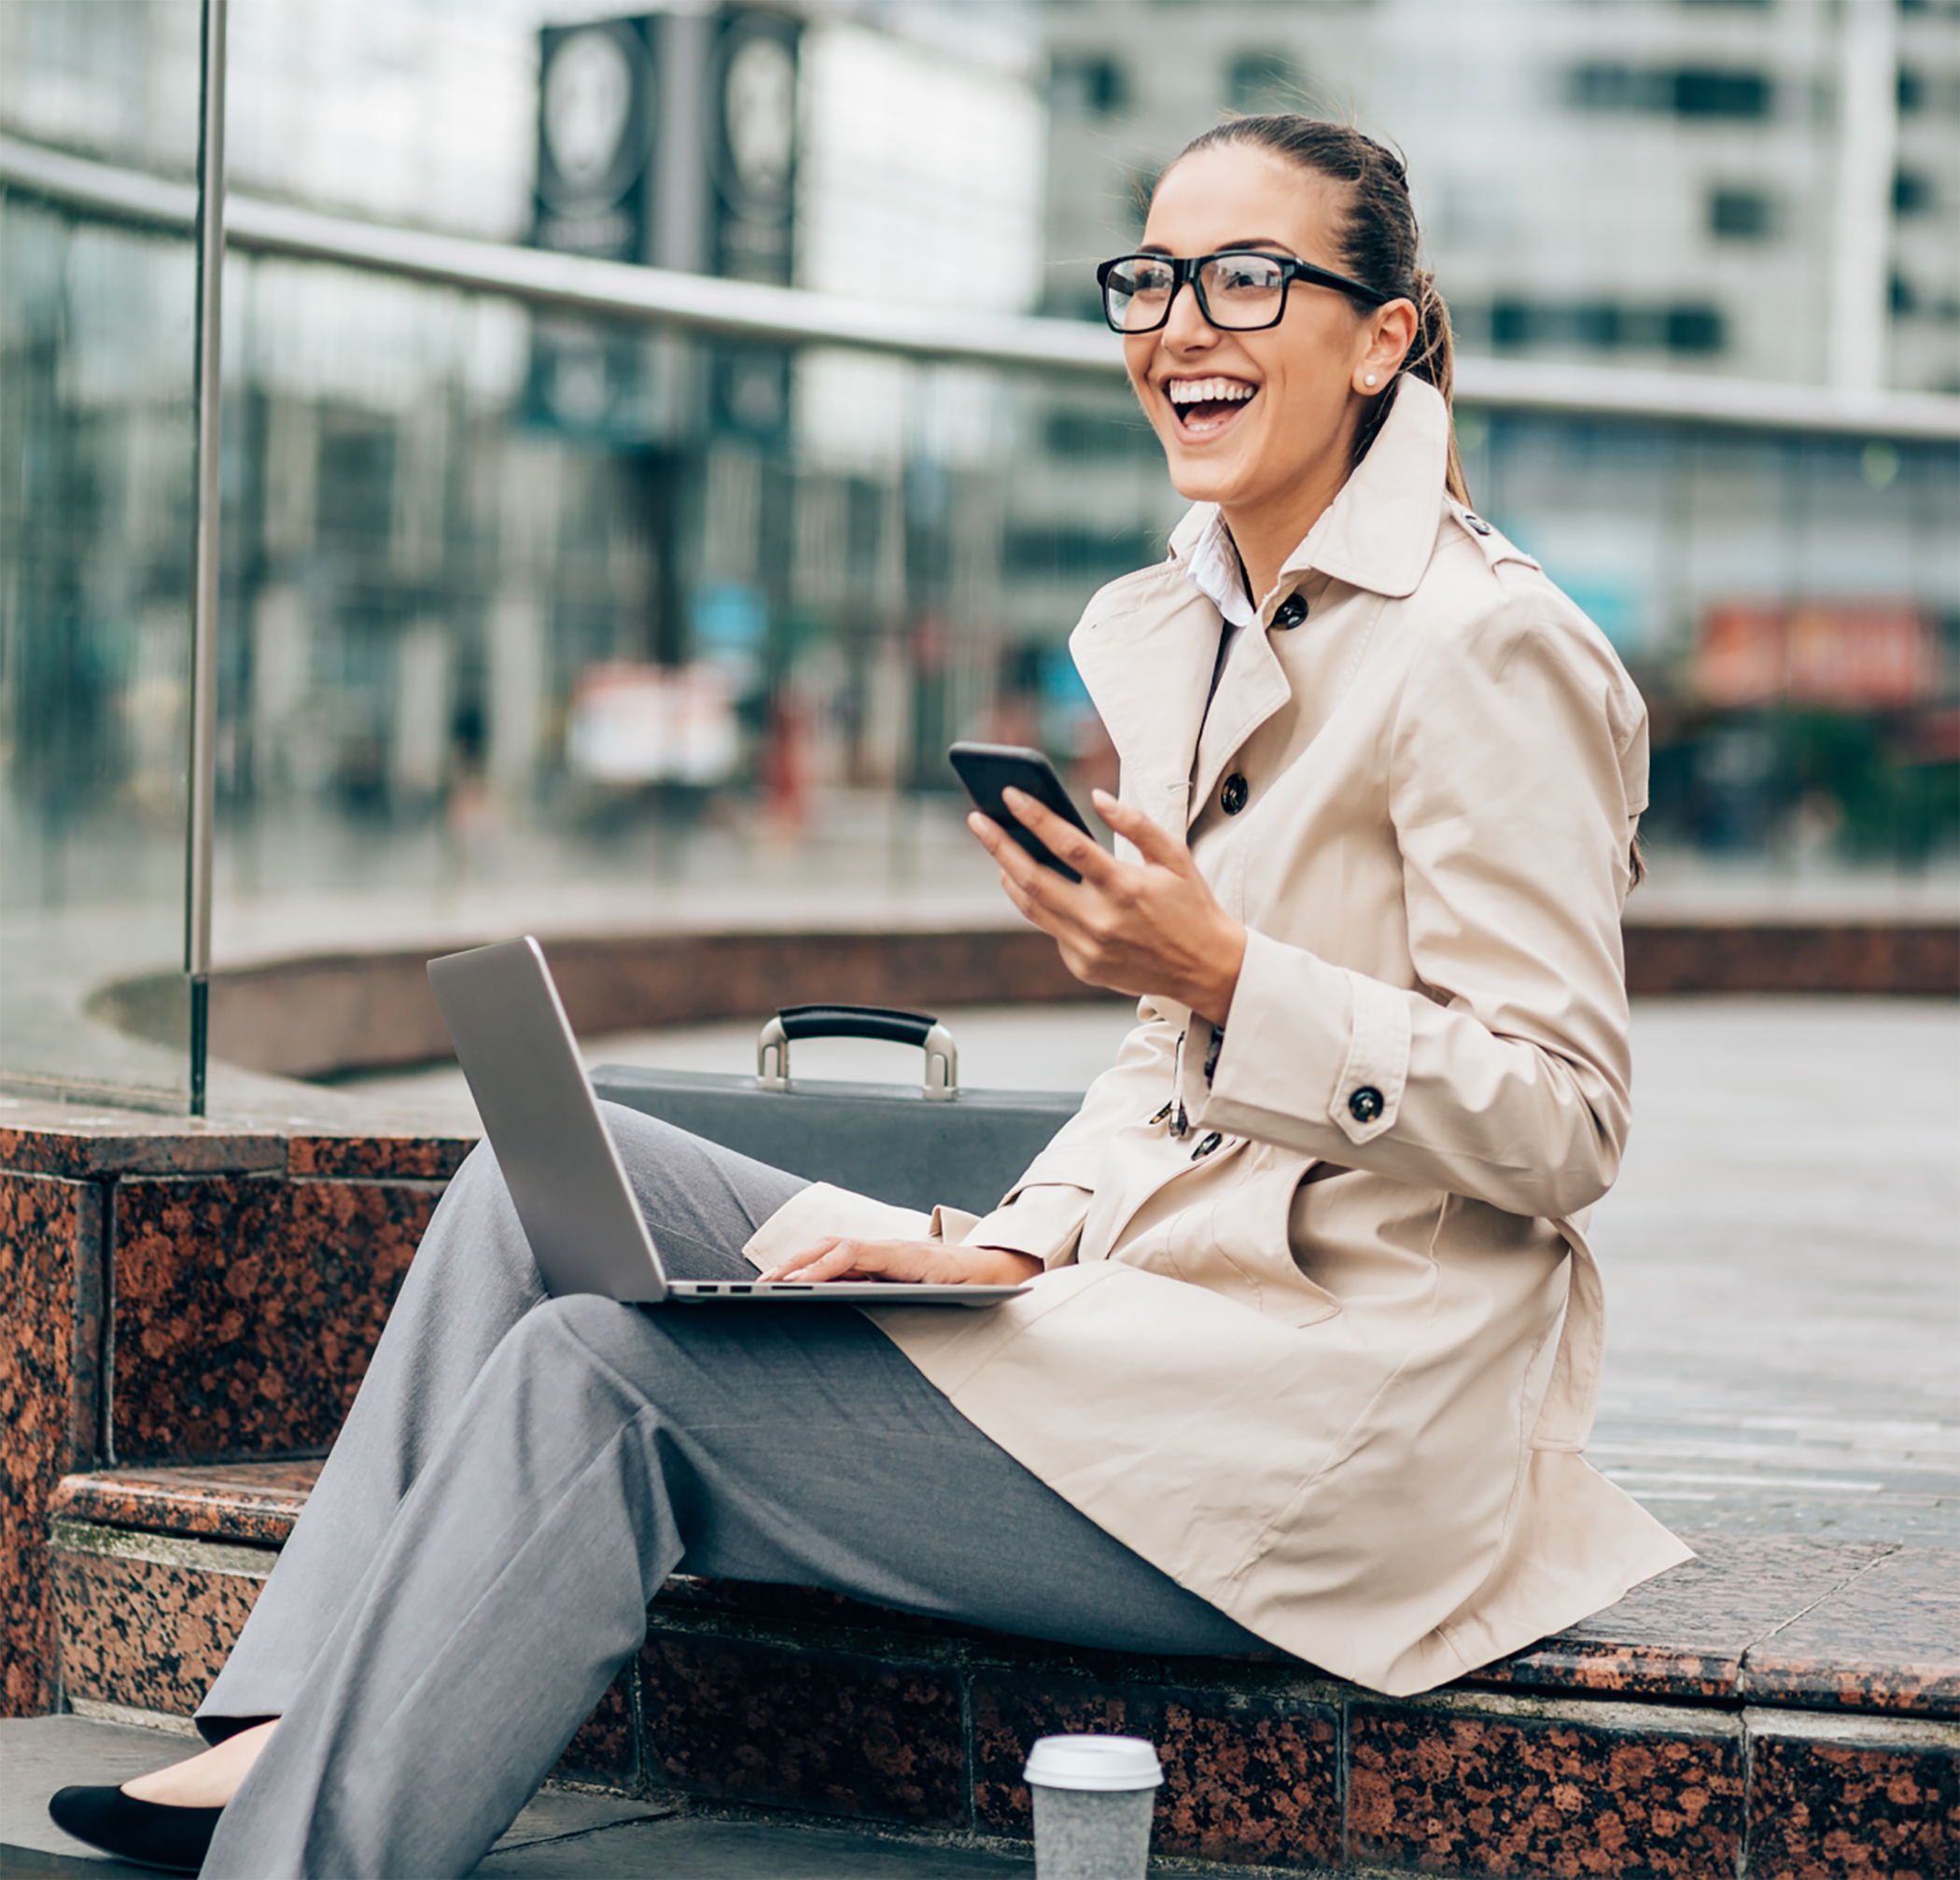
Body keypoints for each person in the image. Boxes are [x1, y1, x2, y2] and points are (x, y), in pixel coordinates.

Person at [49, 116, 1688, 1878]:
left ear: (1382, 336)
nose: (1183, 324)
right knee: (545, 1169)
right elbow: (1165, 1063)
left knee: (607, 1372)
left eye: (1248, 278)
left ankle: (309, 1852)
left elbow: (1564, 1120)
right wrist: (1008, 1238)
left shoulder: (1488, 644)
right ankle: (290, 1725)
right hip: (1149, 1333)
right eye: (1151, 280)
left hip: (1329, 1432)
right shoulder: (1222, 616)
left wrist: (1224, 972)